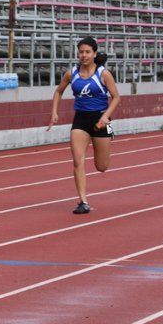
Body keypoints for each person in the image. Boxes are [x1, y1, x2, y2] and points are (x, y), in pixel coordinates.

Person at [46, 37, 120, 215]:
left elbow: (116, 97)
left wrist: (106, 116)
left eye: (87, 52)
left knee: (102, 166)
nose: (83, 55)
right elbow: (58, 91)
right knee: (78, 160)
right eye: (81, 52)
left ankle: (110, 133)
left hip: (100, 121)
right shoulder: (72, 73)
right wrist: (54, 112)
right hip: (80, 121)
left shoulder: (103, 74)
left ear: (94, 53)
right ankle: (83, 201)